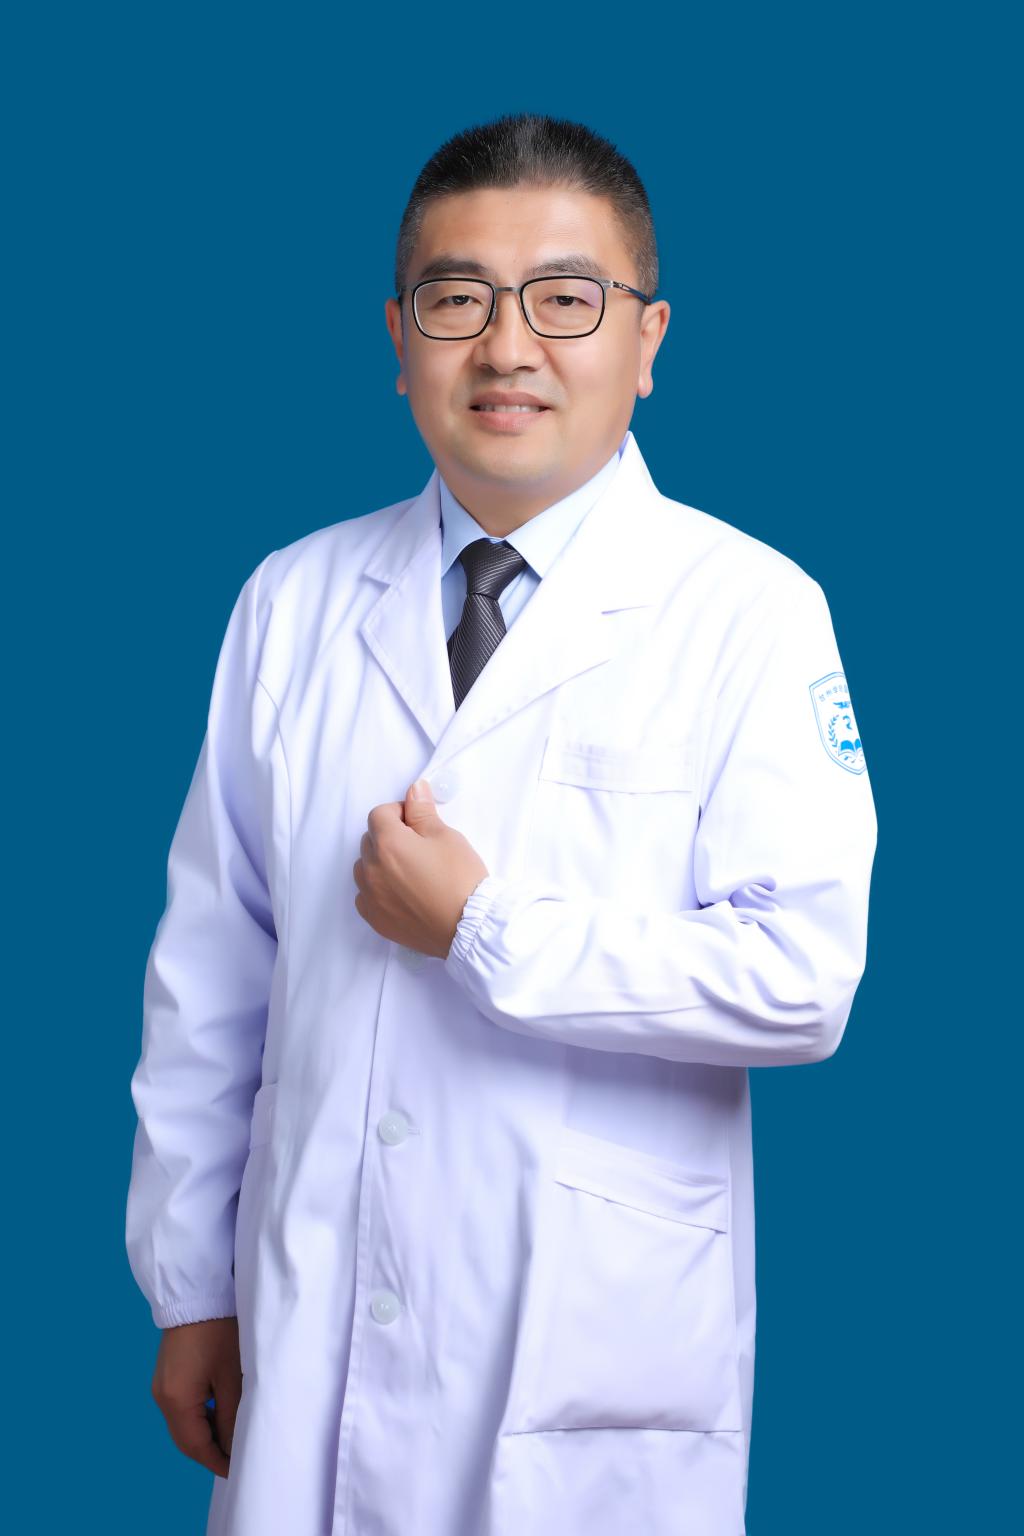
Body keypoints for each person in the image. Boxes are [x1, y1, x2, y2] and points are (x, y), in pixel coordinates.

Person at [125, 111, 878, 1536]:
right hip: (312, 1303)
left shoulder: (752, 612)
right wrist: (191, 1283)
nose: (509, 348)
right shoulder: (293, 599)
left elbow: (802, 979)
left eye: (566, 300)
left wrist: (484, 928)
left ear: (647, 340)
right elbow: (211, 973)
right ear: (398, 335)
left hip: (588, 1346)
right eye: (457, 299)